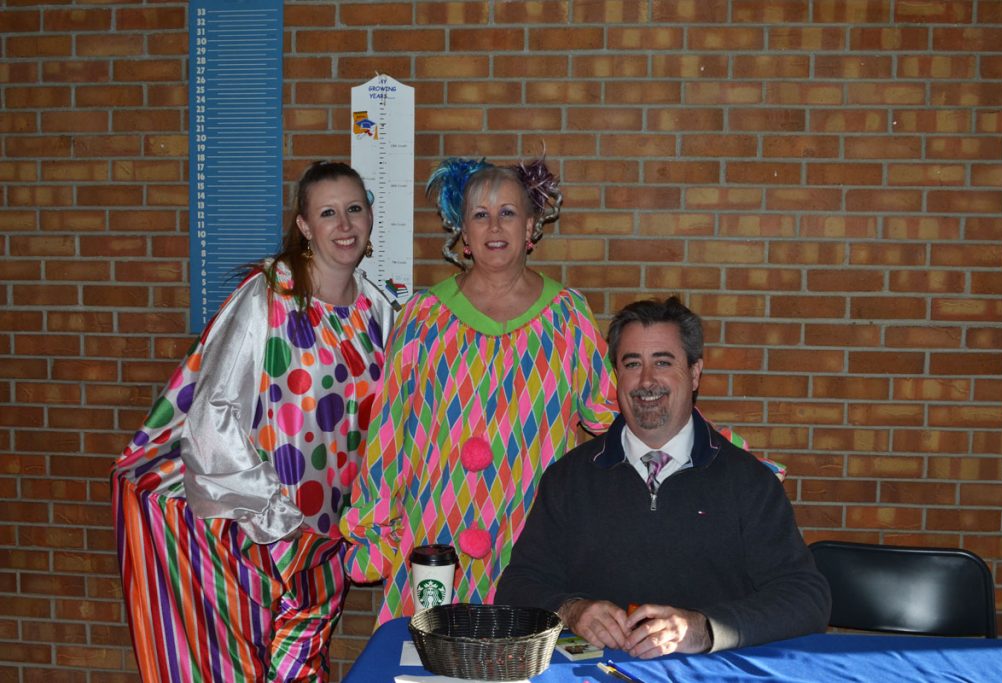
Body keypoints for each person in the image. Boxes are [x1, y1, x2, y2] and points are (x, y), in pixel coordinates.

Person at [111, 161, 399, 682]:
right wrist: (277, 523)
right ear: (305, 226)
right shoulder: (270, 296)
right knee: (261, 665)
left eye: (355, 209)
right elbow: (213, 413)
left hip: (332, 529)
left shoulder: (379, 311)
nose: (345, 225)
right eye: (328, 213)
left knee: (301, 661)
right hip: (263, 530)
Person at [340, 156, 619, 623]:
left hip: (531, 537)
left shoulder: (568, 316)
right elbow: (387, 431)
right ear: (462, 234)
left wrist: (701, 448)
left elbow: (610, 411)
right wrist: (373, 524)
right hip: (433, 538)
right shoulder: (423, 316)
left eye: (508, 212)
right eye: (480, 214)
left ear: (530, 226)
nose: (495, 226)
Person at [494, 296, 831, 657]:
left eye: (663, 362)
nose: (647, 380)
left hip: (712, 674)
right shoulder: (568, 479)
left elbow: (806, 598)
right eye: (632, 363)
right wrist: (571, 610)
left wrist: (705, 629)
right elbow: (518, 587)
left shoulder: (748, 482)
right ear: (616, 375)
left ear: (695, 372)